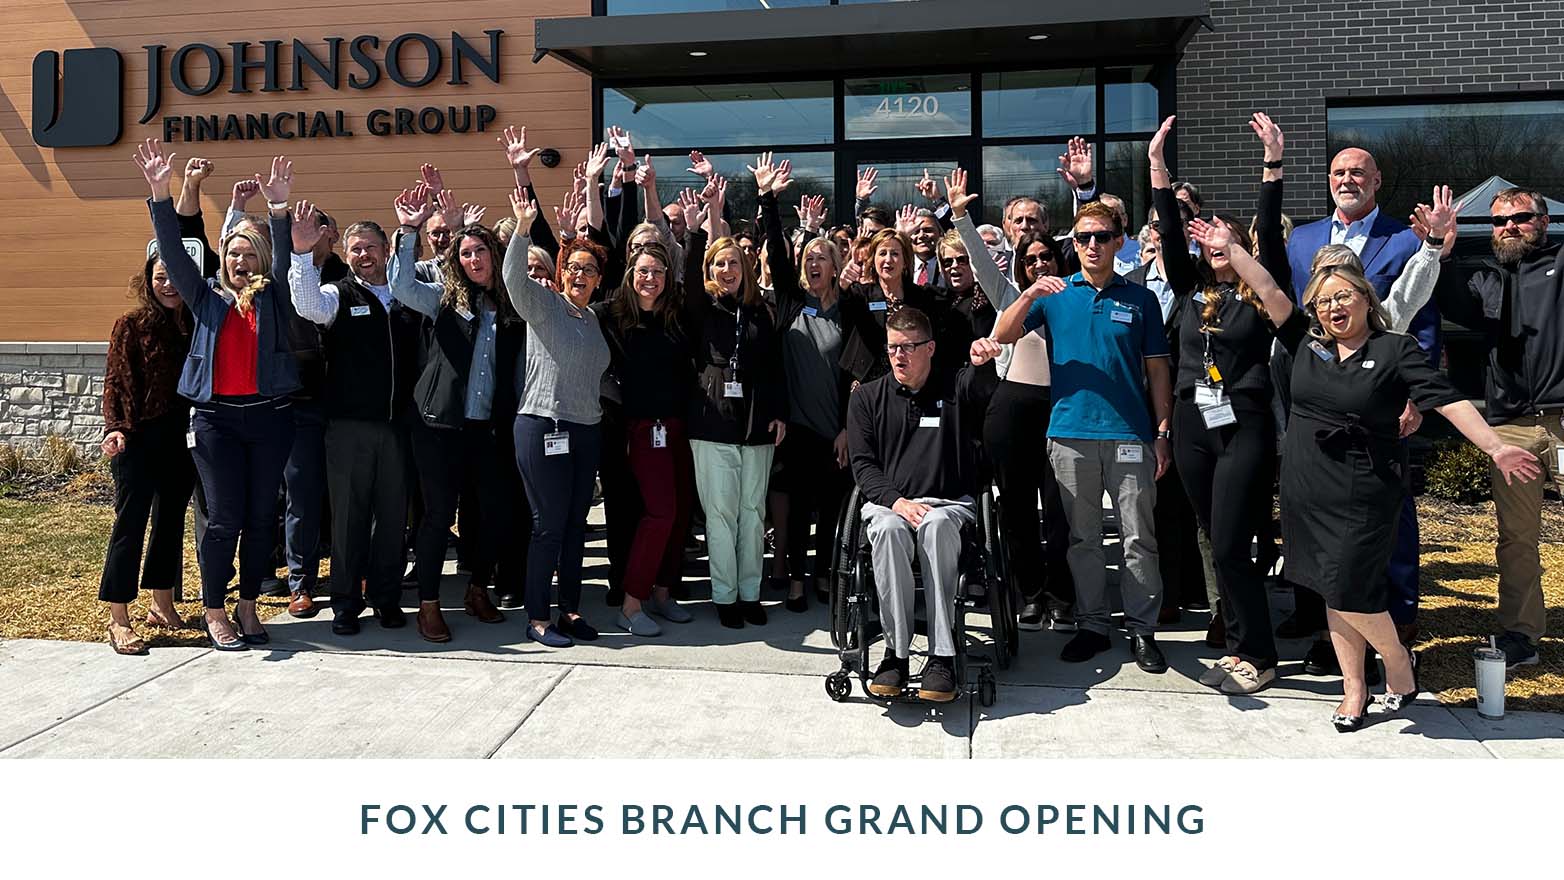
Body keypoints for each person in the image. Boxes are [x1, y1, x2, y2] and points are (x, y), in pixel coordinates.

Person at [1202, 221, 1539, 729]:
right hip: (1305, 488)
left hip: (1365, 488)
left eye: (1344, 296)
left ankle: (1398, 663)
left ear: (1365, 297)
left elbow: (1445, 401)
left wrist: (1494, 447)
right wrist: (1230, 249)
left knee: (1349, 589)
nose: (1334, 308)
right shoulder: (1304, 343)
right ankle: (1354, 688)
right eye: (1323, 301)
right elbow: (1268, 289)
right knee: (1328, 587)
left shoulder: (1395, 348)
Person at [1145, 113, 1294, 693]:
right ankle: (1236, 639)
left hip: (1244, 424)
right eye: (1205, 241)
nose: (1211, 246)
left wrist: (1272, 165)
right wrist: (1156, 167)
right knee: (1215, 536)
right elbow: (1167, 227)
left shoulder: (1260, 295)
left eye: (1222, 240)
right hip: (1191, 423)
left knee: (1233, 543)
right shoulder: (1191, 291)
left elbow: (1270, 240)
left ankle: (1258, 653)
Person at [992, 200, 1174, 673]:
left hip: (1129, 434)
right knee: (1083, 539)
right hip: (1070, 434)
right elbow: (1003, 332)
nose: (1091, 245)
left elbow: (1157, 370)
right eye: (1082, 238)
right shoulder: (1055, 294)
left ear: (1118, 241)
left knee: (1139, 537)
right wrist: (1030, 294)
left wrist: (1162, 431)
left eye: (1100, 236)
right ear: (1073, 245)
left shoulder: (1141, 299)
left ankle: (1141, 628)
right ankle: (1094, 625)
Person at [133, 139, 299, 652]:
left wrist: (277, 209)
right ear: (221, 258)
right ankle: (214, 610)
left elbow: (286, 256)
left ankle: (248, 606)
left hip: (268, 418)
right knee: (225, 516)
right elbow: (172, 251)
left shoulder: (274, 296)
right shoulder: (205, 297)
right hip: (215, 422)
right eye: (233, 253)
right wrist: (160, 192)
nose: (241, 262)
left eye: (250, 255)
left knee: (259, 518)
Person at [1284, 144, 1436, 652]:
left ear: (1376, 181)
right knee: (1316, 512)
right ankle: (1324, 623)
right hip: (1317, 403)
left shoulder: (1402, 238)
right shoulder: (1302, 239)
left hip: (1380, 400)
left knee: (1388, 513)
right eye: (1338, 172)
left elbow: (1422, 320)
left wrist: (1413, 394)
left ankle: (1399, 617)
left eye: (1357, 173)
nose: (1346, 180)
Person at [384, 185, 526, 642]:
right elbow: (401, 285)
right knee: (437, 515)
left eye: (480, 250)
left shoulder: (510, 307)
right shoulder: (442, 300)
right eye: (464, 253)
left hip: (487, 430)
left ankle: (477, 589)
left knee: (488, 513)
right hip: (437, 427)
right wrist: (407, 230)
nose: (472, 260)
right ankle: (429, 604)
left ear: (493, 254)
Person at [1432, 186, 1560, 668]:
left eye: (1520, 218)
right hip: (1511, 426)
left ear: (1543, 223)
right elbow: (1451, 306)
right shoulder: (1486, 278)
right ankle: (1521, 634)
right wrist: (1442, 251)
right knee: (1517, 536)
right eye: (1499, 221)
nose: (1508, 227)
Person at [946, 168, 1076, 633]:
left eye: (1047, 257)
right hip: (1012, 412)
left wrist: (1082, 190)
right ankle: (1031, 594)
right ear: (1020, 266)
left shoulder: (1074, 292)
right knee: (1018, 510)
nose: (1040, 263)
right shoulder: (1008, 295)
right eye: (1031, 259)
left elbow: (1087, 238)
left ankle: (1063, 595)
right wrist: (959, 215)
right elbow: (981, 263)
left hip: (1061, 411)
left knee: (1061, 511)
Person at [287, 209, 424, 637]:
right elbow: (306, 305)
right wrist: (301, 253)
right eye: (355, 249)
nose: (364, 255)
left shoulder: (406, 296)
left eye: (370, 247)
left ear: (386, 251)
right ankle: (346, 603)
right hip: (348, 427)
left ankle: (385, 597)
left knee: (391, 518)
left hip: (398, 427)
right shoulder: (336, 294)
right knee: (349, 518)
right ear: (346, 255)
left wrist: (412, 230)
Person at [849, 307, 993, 702]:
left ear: (930, 348)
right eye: (893, 347)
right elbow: (862, 465)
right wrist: (896, 502)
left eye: (909, 347)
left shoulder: (955, 387)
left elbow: (981, 393)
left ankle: (942, 655)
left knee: (936, 525)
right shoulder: (868, 398)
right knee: (890, 529)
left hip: (947, 504)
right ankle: (895, 654)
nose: (899, 356)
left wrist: (982, 366)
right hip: (888, 503)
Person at [503, 189, 612, 648]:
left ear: (598, 279)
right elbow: (512, 279)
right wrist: (524, 229)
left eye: (589, 269)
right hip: (543, 425)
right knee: (548, 525)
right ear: (562, 272)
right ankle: (537, 617)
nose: (580, 275)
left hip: (587, 429)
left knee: (574, 526)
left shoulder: (593, 320)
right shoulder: (544, 307)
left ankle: (569, 611)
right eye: (574, 267)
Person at [680, 176, 788, 629]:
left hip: (757, 425)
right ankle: (725, 596)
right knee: (721, 516)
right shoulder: (702, 308)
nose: (728, 270)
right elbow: (686, 281)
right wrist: (698, 227)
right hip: (712, 424)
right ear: (710, 270)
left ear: (745, 267)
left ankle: (750, 593)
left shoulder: (761, 310)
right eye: (719, 264)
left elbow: (775, 364)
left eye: (735, 263)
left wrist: (780, 410)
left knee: (752, 513)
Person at [756, 161, 852, 612]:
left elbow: (860, 375)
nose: (813, 263)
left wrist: (850, 429)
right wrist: (768, 200)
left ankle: (825, 578)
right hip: (794, 430)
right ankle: (795, 581)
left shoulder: (848, 312)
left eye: (822, 258)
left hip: (835, 432)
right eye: (808, 257)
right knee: (794, 513)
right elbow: (775, 251)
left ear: (836, 267)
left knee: (831, 513)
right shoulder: (791, 303)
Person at [97, 248, 195, 654]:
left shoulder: (193, 323)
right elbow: (116, 380)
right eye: (160, 277)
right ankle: (118, 618)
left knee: (171, 521)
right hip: (137, 437)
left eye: (175, 277)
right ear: (148, 281)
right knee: (130, 524)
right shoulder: (132, 325)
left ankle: (162, 604)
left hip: (181, 437)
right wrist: (117, 428)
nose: (168, 284)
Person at [597, 240, 696, 635]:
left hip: (677, 427)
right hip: (640, 429)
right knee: (659, 514)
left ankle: (662, 593)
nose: (650, 278)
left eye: (657, 271)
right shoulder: (612, 315)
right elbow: (573, 306)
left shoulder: (675, 317)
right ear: (629, 276)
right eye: (643, 271)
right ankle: (631, 603)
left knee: (680, 512)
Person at [279, 204, 344, 619]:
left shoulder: (349, 276)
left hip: (345, 404)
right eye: (298, 229)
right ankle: (300, 583)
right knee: (301, 496)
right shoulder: (284, 274)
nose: (305, 234)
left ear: (329, 234)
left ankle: (351, 572)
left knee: (348, 496)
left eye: (314, 228)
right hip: (300, 401)